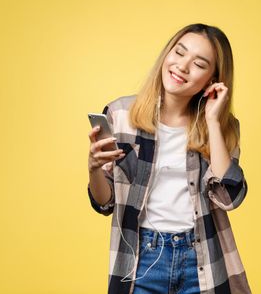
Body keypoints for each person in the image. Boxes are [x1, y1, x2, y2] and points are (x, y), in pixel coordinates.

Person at [87, 23, 251, 294]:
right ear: (167, 54)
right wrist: (93, 169)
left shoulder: (222, 127)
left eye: (198, 63)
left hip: (201, 260)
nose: (182, 67)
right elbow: (105, 203)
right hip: (141, 259)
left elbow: (228, 198)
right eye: (179, 52)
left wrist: (211, 120)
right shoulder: (120, 115)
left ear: (212, 80)